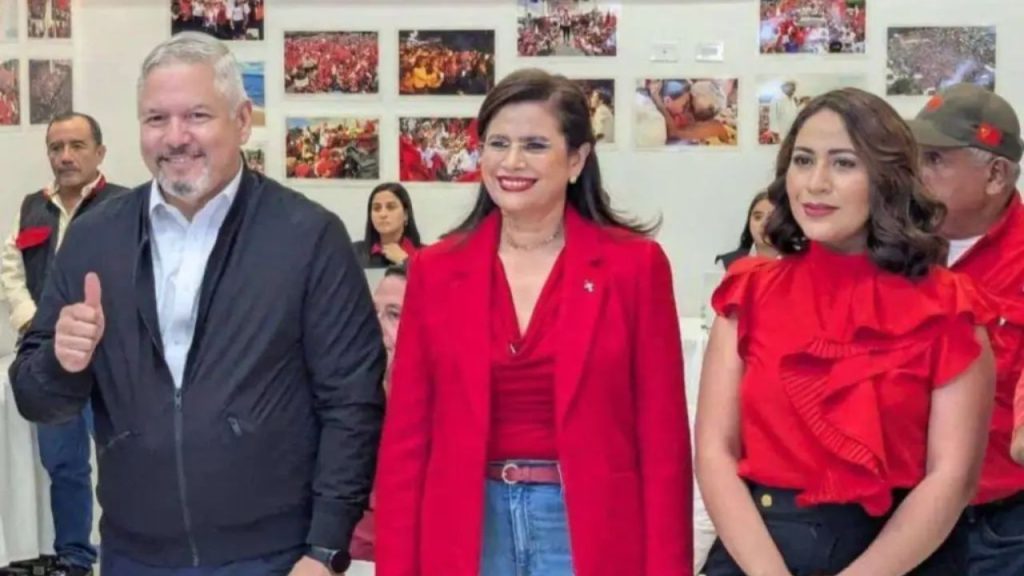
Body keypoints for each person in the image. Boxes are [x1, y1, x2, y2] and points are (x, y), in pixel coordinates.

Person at [9, 32, 385, 576]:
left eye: (198, 116)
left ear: (243, 119)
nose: (175, 137)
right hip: (134, 553)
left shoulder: (307, 238)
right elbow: (35, 398)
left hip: (275, 556)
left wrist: (326, 548)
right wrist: (60, 362)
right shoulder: (94, 240)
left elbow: (352, 402)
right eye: (156, 119)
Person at [375, 67, 693, 576]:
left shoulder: (634, 267)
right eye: (498, 143)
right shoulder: (436, 271)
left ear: (577, 160)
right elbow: (407, 441)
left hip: (589, 528)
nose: (512, 161)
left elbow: (664, 445)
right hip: (466, 529)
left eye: (535, 145)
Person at [697, 88, 996, 576]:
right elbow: (714, 452)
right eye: (803, 160)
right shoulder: (747, 292)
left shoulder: (948, 306)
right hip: (759, 549)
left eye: (843, 164)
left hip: (900, 553)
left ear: (887, 179)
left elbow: (952, 477)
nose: (815, 183)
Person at [0, 111, 130, 576]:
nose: (65, 156)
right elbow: (11, 269)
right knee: (63, 463)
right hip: (49, 360)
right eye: (56, 148)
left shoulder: (125, 206)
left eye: (76, 146)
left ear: (100, 152)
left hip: (112, 358)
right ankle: (75, 557)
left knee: (126, 459)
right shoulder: (32, 206)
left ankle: (127, 555)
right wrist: (31, 322)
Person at [908, 83, 1024, 576]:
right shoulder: (889, 248)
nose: (915, 174)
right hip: (895, 514)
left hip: (995, 527)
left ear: (995, 174)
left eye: (934, 159)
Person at [348, 264, 408, 576]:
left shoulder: (441, 410)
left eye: (394, 314)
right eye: (373, 312)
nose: (376, 326)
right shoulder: (345, 397)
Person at [352, 182, 423, 268]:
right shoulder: (353, 252)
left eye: (391, 207)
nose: (383, 214)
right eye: (376, 208)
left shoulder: (425, 254)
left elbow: (431, 280)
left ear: (405, 214)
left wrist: (405, 261)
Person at [714, 191, 777, 270]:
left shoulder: (794, 265)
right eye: (758, 217)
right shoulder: (727, 264)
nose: (763, 224)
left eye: (772, 218)